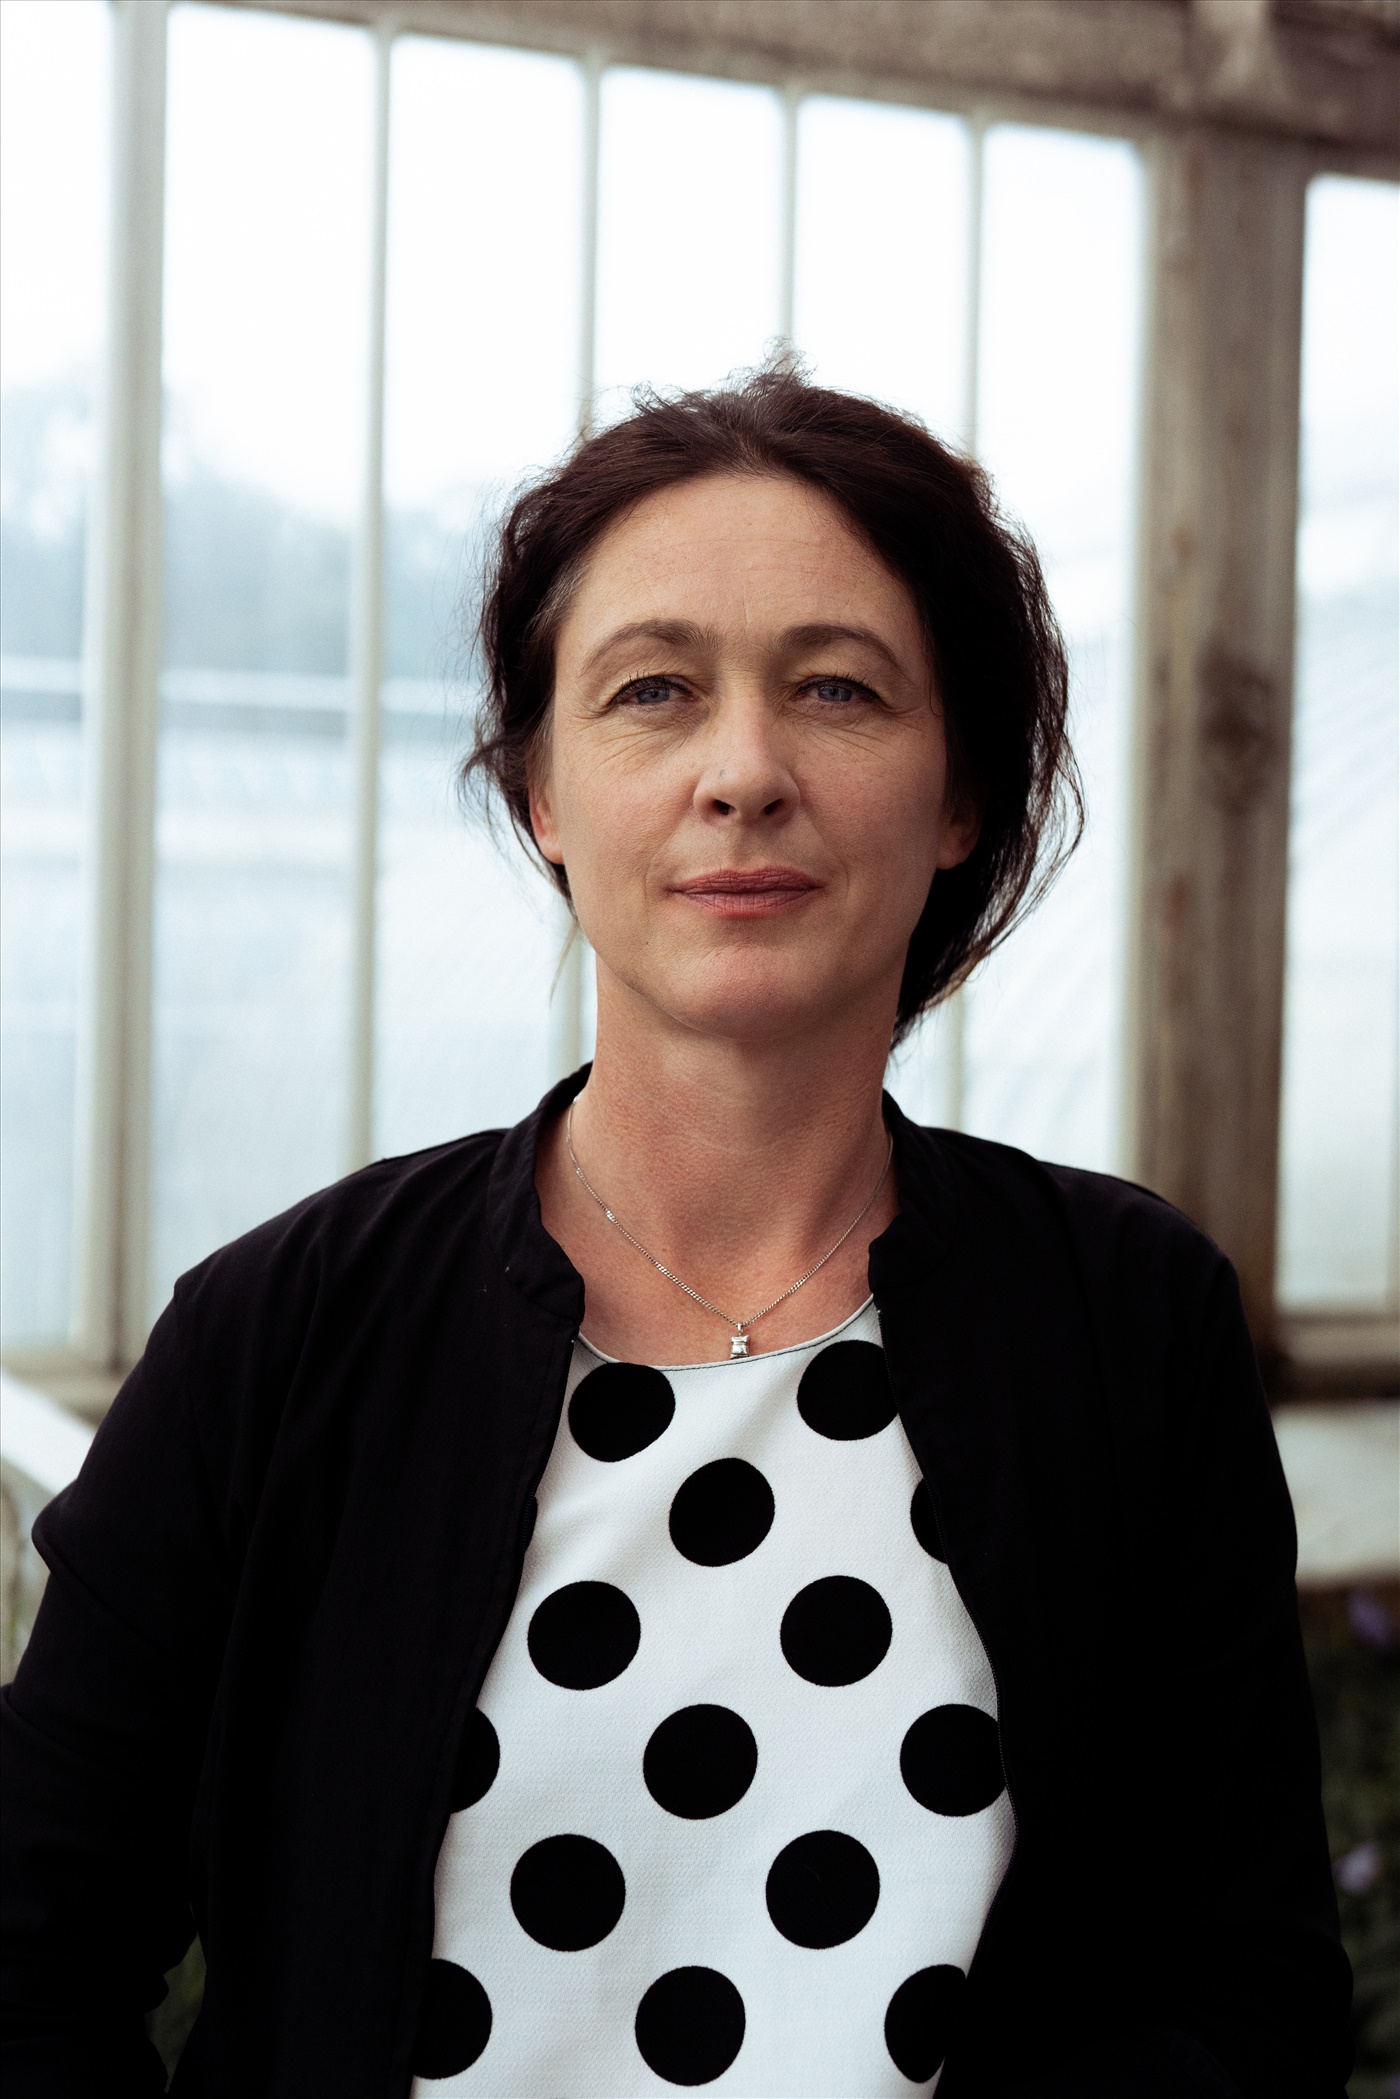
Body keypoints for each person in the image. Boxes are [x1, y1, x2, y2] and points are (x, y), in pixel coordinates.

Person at [1, 372, 1350, 2097]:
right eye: (653, 691)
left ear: (960, 794)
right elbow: (27, 1963)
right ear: (543, 793)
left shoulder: (1124, 1323)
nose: (745, 773)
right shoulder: (285, 1331)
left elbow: (1246, 1993)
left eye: (838, 689)